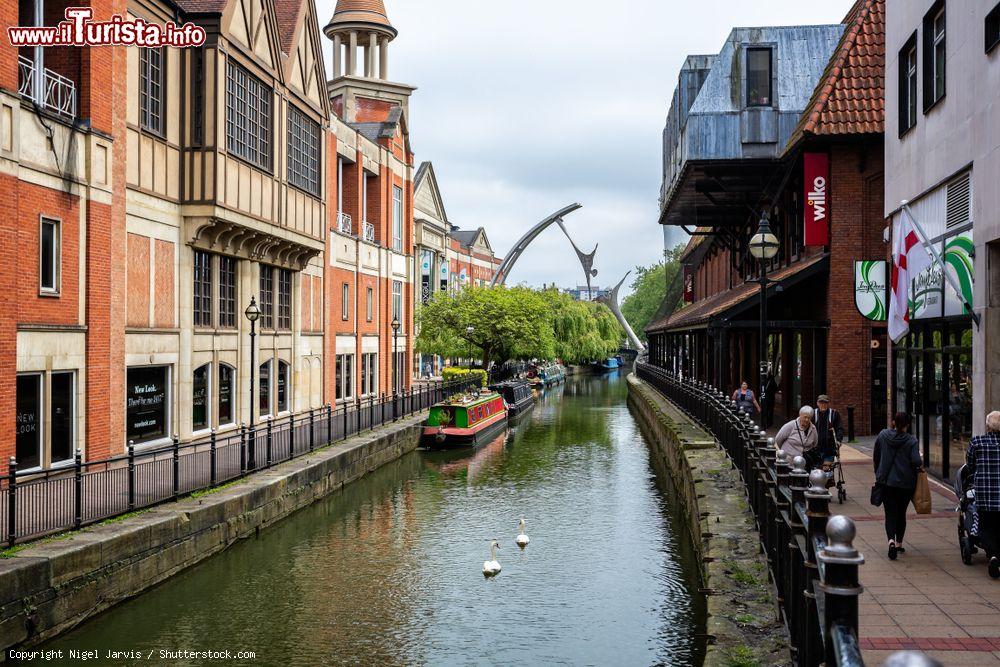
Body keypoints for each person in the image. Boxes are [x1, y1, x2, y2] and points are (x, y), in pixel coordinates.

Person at [873, 412, 923, 561]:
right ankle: (899, 543)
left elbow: (876, 455)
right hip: (906, 484)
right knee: (901, 513)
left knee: (890, 514)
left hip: (887, 482)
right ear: (907, 425)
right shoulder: (911, 441)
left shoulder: (883, 435)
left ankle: (891, 542)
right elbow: (916, 461)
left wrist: (878, 473)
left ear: (894, 422)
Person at [966, 410, 1000, 579]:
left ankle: (993, 555)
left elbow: (970, 466)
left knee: (985, 526)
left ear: (987, 426)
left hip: (985, 493)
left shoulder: (977, 442)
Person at [814, 395, 845, 464]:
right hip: (815, 449)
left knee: (827, 471)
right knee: (816, 471)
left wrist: (839, 440)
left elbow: (839, 428)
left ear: (828, 404)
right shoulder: (813, 414)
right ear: (817, 403)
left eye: (825, 403)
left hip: (829, 449)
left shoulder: (834, 414)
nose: (823, 405)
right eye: (821, 402)